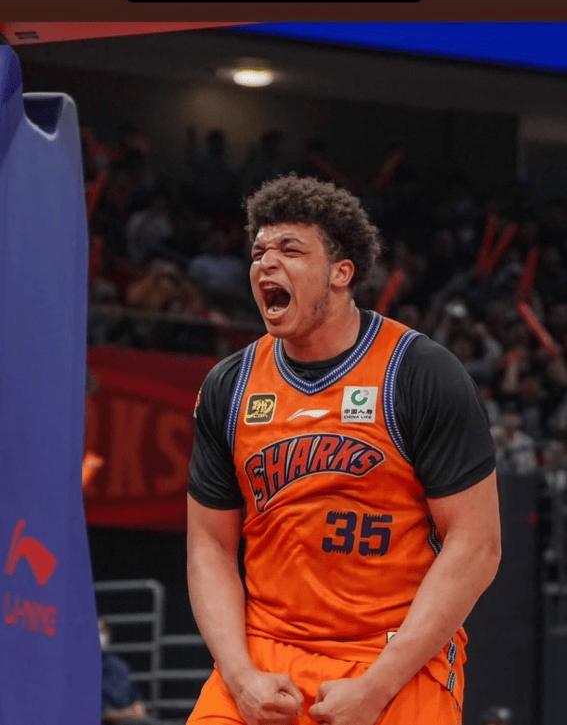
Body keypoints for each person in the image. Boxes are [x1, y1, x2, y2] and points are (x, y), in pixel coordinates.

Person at [186, 174, 501, 725]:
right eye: (258, 252)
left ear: (341, 272)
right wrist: (239, 675)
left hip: (394, 655)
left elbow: (476, 545)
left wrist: (377, 686)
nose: (266, 263)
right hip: (267, 652)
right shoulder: (229, 386)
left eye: (290, 250)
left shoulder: (420, 373)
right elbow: (209, 546)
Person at [99, 619, 151, 723]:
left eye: (104, 631)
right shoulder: (78, 669)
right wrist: (124, 714)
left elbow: (135, 697)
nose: (102, 635)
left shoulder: (119, 666)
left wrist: (137, 707)